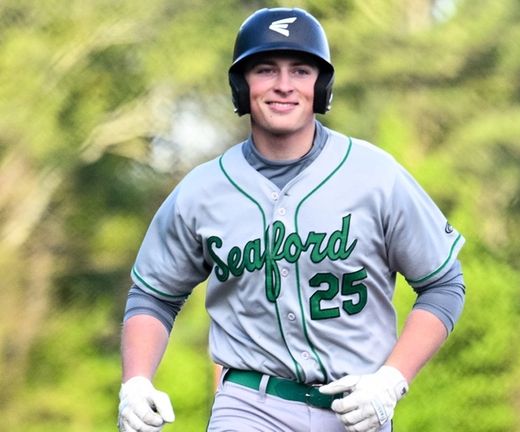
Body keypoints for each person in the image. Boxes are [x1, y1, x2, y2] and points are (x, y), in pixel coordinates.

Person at [117, 7, 466, 432]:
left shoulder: (376, 175)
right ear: (241, 86)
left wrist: (392, 380)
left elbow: (444, 285)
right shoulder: (202, 189)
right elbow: (154, 295)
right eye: (266, 69)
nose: (283, 86)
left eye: (300, 71)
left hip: (355, 408)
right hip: (249, 404)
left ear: (321, 87)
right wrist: (136, 382)